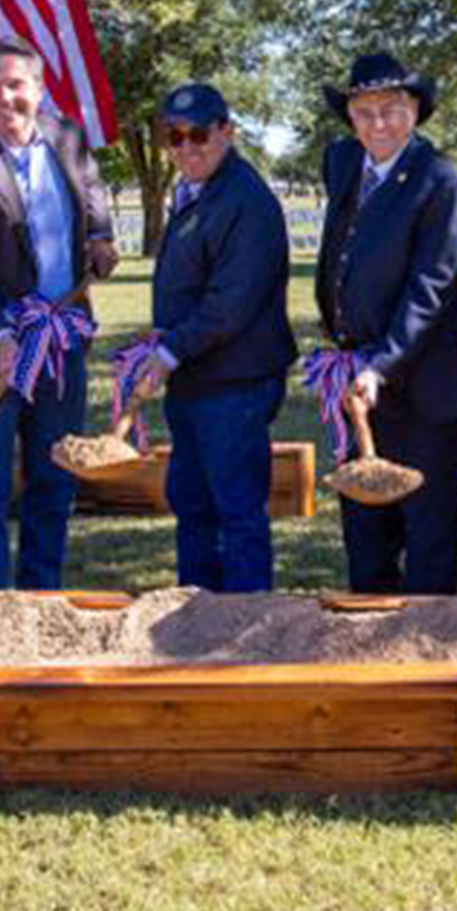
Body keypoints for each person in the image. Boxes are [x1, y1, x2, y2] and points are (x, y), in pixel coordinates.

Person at [0, 37, 118, 589]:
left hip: (61, 343)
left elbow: (92, 190)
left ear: (38, 88)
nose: (4, 98)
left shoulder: (68, 137)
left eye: (15, 85)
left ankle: (40, 602)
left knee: (54, 480)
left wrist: (100, 234)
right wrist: (4, 336)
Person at [315, 53, 457, 596]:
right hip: (356, 382)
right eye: (364, 111)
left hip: (425, 387)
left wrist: (381, 364)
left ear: (415, 111)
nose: (378, 123)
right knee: (366, 536)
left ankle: (427, 670)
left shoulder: (441, 181)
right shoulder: (342, 164)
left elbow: (431, 287)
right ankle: (371, 665)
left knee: (427, 539)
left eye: (392, 109)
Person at [147, 82, 296, 592]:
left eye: (199, 134)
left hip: (236, 384)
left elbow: (231, 303)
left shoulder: (245, 200)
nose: (186, 147)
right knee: (192, 506)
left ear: (227, 132)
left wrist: (167, 351)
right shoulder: (195, 191)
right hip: (195, 380)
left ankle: (244, 632)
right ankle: (195, 623)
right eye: (174, 136)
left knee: (236, 513)